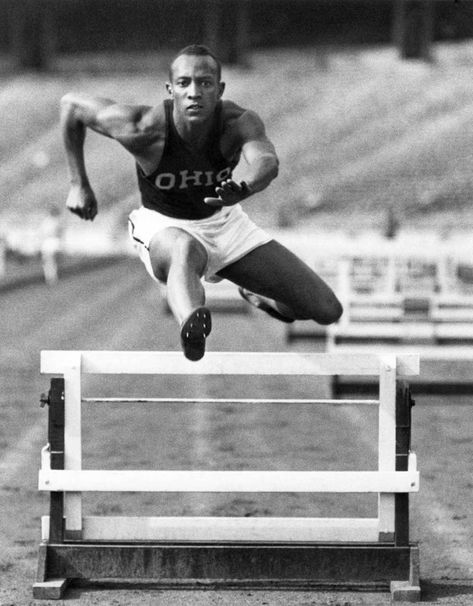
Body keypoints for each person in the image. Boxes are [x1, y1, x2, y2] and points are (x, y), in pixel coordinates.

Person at [61, 44, 342, 361]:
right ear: (171, 89)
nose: (194, 92)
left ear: (219, 89)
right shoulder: (142, 127)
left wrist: (246, 187)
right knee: (185, 247)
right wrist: (78, 184)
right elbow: (71, 106)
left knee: (327, 309)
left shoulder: (237, 123)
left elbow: (266, 160)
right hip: (163, 225)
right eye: (184, 83)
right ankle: (192, 326)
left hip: (224, 222)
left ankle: (264, 299)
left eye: (205, 83)